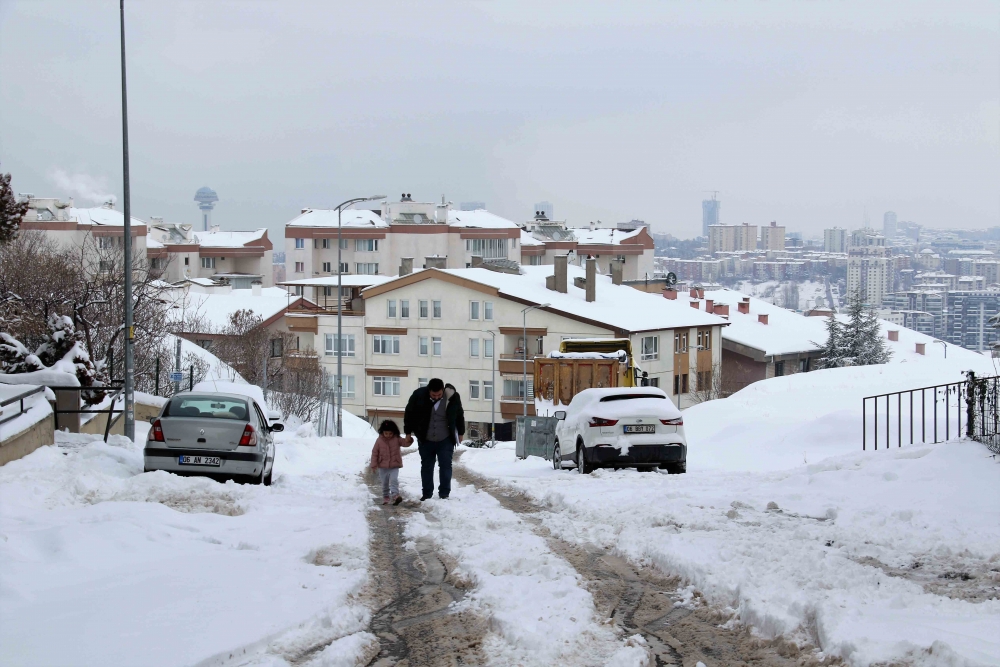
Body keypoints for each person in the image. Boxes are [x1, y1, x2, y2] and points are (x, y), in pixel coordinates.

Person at [403, 378, 465, 500]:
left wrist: (461, 432)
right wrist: (408, 432)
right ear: (428, 391)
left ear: (443, 390)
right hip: (425, 439)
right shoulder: (418, 395)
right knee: (427, 466)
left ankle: (444, 493)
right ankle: (427, 494)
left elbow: (459, 414)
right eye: (433, 395)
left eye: (439, 395)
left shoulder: (453, 397)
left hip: (445, 439)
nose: (436, 397)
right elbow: (409, 413)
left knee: (446, 465)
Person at [370, 419, 406, 506]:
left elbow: (405, 443)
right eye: (386, 433)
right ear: (382, 432)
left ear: (394, 432)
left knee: (394, 480)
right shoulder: (379, 441)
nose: (388, 435)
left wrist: (409, 439)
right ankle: (386, 496)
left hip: (394, 465)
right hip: (383, 466)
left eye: (390, 433)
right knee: (384, 483)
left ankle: (395, 495)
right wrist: (374, 464)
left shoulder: (397, 438)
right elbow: (375, 452)